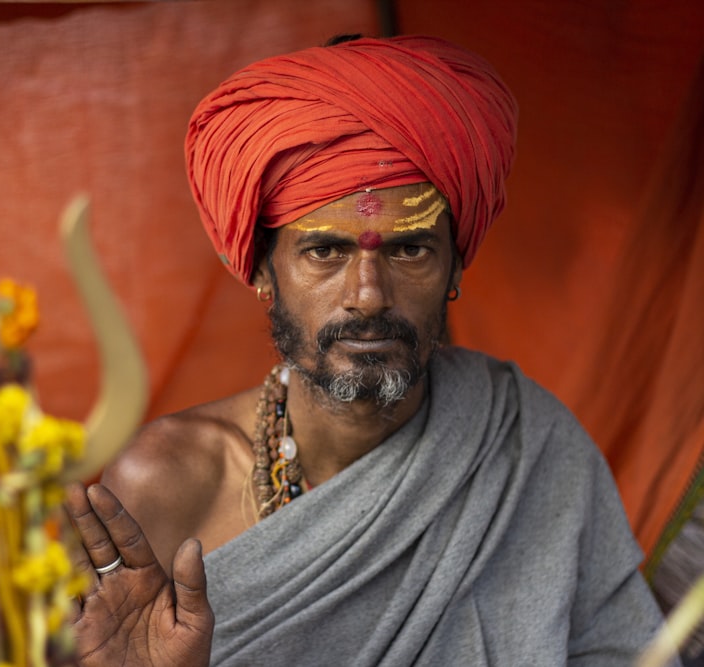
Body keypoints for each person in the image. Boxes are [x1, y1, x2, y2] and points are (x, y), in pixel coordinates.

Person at [63, 34, 670, 666]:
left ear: (457, 265)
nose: (369, 295)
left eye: (409, 249)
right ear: (263, 270)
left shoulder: (526, 444)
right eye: (325, 251)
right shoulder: (168, 482)